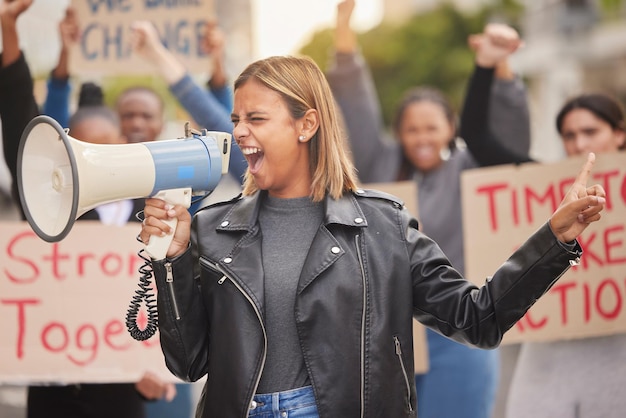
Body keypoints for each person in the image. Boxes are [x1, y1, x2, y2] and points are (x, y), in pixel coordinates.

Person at [137, 51, 605, 417]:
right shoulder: (210, 230)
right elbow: (189, 363)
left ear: (307, 124)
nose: (238, 132)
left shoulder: (385, 227)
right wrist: (172, 262)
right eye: (236, 120)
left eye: (255, 119)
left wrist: (553, 239)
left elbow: (477, 318)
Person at [325, 2, 529, 417]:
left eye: (432, 128)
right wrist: (344, 29)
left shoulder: (471, 168)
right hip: (388, 331)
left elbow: (509, 136)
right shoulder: (379, 163)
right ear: (398, 133)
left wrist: (501, 64)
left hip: (457, 330)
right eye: (412, 129)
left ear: (451, 129)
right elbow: (357, 103)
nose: (422, 138)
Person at [459, 26, 626, 418]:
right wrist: (487, 65)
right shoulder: (540, 186)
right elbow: (477, 137)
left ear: (619, 135)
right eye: (569, 135)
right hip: (548, 355)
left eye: (590, 131)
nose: (579, 144)